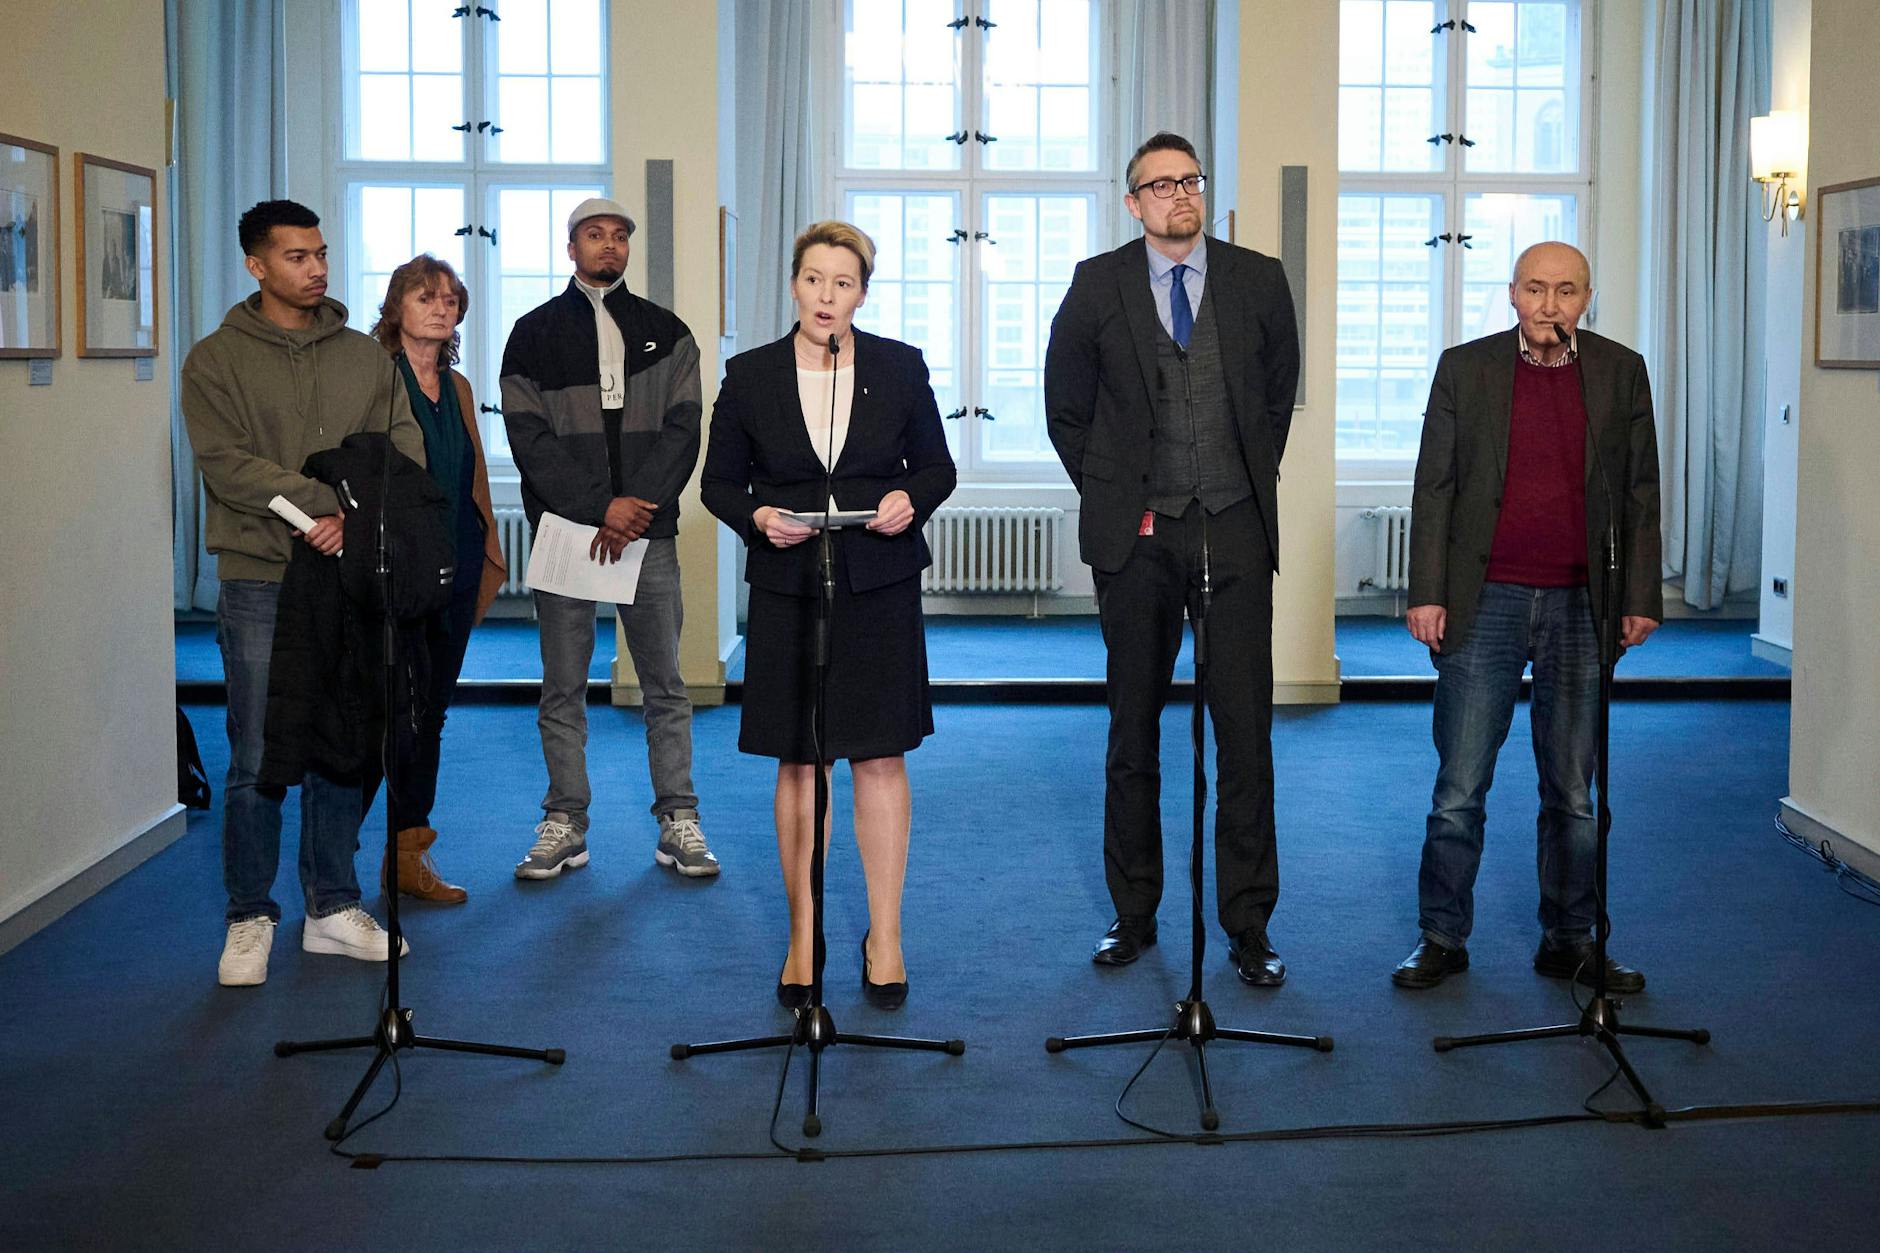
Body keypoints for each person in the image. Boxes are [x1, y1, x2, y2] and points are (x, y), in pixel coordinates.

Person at [1044, 133, 1301, 986]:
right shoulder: (1095, 284)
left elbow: (1274, 397)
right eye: (1159, 185)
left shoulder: (1259, 278)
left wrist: (1236, 484)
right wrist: (1121, 495)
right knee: (1133, 731)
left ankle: (1249, 923)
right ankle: (1134, 910)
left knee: (1245, 734)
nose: (1178, 194)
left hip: (1235, 529)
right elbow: (1065, 409)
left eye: (1189, 180)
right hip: (1138, 540)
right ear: (1133, 204)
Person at [1392, 241, 1662, 993]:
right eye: (1536, 289)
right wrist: (1426, 591)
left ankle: (1570, 940)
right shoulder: (1466, 368)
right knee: (1459, 787)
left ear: (1586, 299)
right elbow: (1434, 487)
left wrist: (1640, 596)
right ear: (1512, 294)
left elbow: (1640, 492)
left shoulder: (1620, 371)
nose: (1550, 305)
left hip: (1584, 603)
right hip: (1486, 598)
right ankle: (1441, 937)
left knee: (1573, 794)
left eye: (1566, 290)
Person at [701, 220, 955, 1010]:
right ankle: (803, 935)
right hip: (790, 587)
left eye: (843, 283)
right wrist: (757, 516)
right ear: (793, 283)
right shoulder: (749, 375)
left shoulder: (899, 367)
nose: (825, 295)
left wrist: (910, 498)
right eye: (814, 279)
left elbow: (937, 467)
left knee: (878, 757)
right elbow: (718, 484)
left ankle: (886, 935)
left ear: (861, 295)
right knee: (800, 760)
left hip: (878, 583)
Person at [181, 199, 425, 986]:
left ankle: (331, 905)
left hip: (348, 576)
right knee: (258, 751)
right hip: (261, 575)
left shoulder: (365, 357)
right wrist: (329, 504)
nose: (316, 268)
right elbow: (228, 465)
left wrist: (355, 519)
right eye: (296, 256)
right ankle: (249, 913)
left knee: (343, 742)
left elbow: (403, 452)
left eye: (320, 253)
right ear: (256, 266)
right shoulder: (215, 360)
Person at [499, 197, 717, 881]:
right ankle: (565, 823)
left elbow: (684, 429)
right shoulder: (532, 335)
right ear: (571, 248)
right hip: (568, 532)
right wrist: (600, 508)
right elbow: (528, 438)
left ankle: (678, 820)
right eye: (595, 235)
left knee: (665, 686)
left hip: (647, 536)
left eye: (620, 236)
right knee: (562, 688)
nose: (610, 246)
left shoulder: (668, 332)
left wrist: (634, 511)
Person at [362, 254, 507, 904]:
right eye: (426, 297)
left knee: (432, 712)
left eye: (450, 299)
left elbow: (469, 477)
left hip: (457, 563)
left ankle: (408, 855)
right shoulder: (375, 380)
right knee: (385, 713)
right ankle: (334, 866)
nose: (441, 308)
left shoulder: (460, 387)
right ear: (396, 308)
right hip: (398, 571)